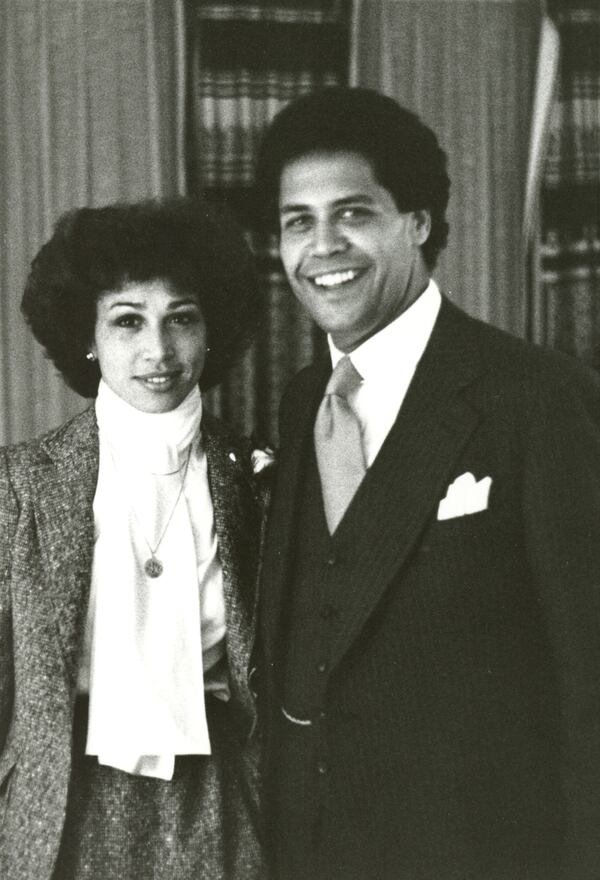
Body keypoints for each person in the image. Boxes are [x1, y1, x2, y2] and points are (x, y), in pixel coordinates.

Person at [253, 86, 600, 880]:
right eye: (297, 222)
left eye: (354, 213)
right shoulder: (304, 402)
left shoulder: (536, 398)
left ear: (418, 224)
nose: (323, 246)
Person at [0, 198, 269, 880]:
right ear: (87, 336)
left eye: (182, 318)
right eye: (128, 321)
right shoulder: (20, 485)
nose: (158, 350)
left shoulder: (259, 481)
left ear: (211, 333)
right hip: (59, 812)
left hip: (220, 811)